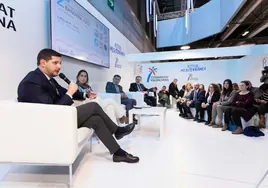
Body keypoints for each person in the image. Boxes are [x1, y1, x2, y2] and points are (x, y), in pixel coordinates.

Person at [17, 48, 139, 163]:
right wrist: (70, 92)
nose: (59, 67)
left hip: (57, 116)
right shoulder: (32, 82)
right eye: (55, 63)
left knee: (95, 119)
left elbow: (62, 93)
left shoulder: (48, 79)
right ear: (43, 63)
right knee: (94, 106)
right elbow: (52, 111)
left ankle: (118, 153)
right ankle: (117, 130)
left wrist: (85, 95)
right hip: (50, 122)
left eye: (60, 63)